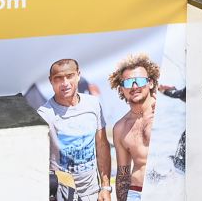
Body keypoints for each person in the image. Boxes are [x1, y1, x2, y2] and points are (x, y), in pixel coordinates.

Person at [37, 59, 111, 201]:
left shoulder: (93, 104)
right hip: (61, 195)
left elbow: (102, 145)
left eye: (69, 76)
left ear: (78, 75)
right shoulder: (44, 114)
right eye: (58, 78)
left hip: (93, 194)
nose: (65, 83)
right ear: (51, 81)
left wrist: (105, 188)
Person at [108, 55, 160, 201]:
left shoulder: (167, 111)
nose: (135, 86)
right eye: (128, 82)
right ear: (121, 89)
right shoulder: (120, 127)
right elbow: (123, 175)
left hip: (169, 190)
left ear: (150, 83)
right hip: (136, 193)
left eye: (140, 80)